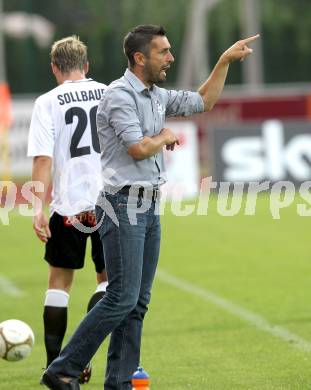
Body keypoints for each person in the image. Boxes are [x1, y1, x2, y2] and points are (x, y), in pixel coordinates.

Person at [41, 25, 259, 390]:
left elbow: (203, 101)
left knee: (137, 302)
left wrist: (223, 61)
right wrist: (164, 137)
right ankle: (62, 368)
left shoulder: (156, 94)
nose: (170, 58)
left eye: (171, 50)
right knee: (121, 297)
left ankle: (119, 382)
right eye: (164, 52)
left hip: (148, 205)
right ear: (140, 58)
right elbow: (137, 148)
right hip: (122, 205)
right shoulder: (118, 95)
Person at [27, 35, 108, 385]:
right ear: (87, 66)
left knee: (59, 285)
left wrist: (36, 208)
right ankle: (79, 356)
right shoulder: (109, 92)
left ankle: (55, 366)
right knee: (110, 284)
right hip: (112, 202)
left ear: (54, 69)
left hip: (67, 207)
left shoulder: (47, 102)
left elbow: (43, 158)